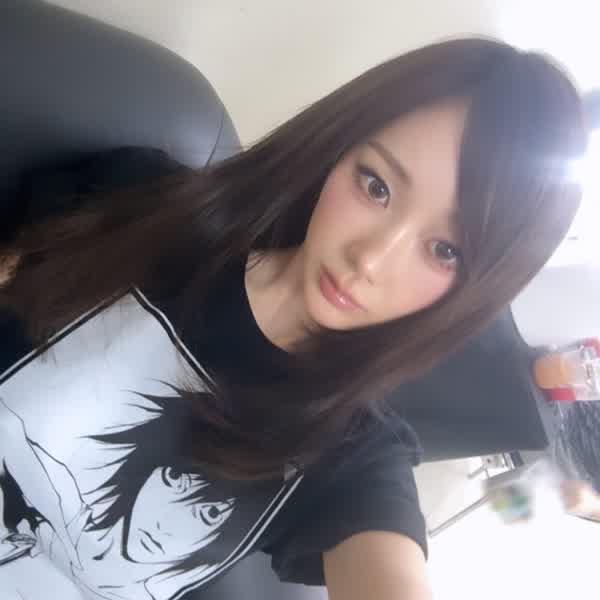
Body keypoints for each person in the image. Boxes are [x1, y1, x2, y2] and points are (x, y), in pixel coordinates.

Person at [0, 37, 586, 600]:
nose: (370, 260)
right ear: (339, 147)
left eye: (444, 250)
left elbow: (387, 566)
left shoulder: (353, 458)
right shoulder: (144, 204)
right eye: (376, 186)